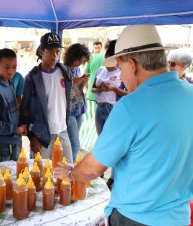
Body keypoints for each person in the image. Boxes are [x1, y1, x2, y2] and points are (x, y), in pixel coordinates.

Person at [54, 25, 193, 226]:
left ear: (133, 64)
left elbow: (93, 168)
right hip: (178, 218)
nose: (120, 77)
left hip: (135, 217)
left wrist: (70, 173)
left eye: (120, 69)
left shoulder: (131, 106)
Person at [20, 32, 73, 162]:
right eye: (50, 51)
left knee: (67, 172)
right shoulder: (32, 78)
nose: (55, 55)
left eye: (57, 51)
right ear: (41, 51)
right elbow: (25, 110)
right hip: (42, 136)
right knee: (41, 176)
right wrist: (32, 137)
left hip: (63, 132)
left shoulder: (65, 72)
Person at [0, 48, 26, 162]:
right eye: (7, 67)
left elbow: (12, 113)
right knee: (0, 178)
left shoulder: (10, 84)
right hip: (0, 146)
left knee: (16, 176)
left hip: (15, 141)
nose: (11, 71)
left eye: (14, 67)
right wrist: (15, 129)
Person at [93, 40, 128, 136]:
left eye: (111, 62)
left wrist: (114, 89)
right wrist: (99, 89)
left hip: (113, 107)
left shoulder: (122, 73)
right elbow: (93, 89)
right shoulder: (100, 70)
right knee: (100, 136)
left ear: (116, 61)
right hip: (99, 107)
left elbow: (131, 93)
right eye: (106, 61)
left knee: (112, 136)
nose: (107, 65)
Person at [63, 43, 90, 162]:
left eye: (82, 61)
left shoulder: (77, 69)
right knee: (75, 144)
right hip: (68, 111)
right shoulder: (62, 69)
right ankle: (70, 169)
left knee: (72, 140)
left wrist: (83, 81)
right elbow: (63, 85)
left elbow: (79, 88)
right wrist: (74, 81)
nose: (80, 63)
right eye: (79, 60)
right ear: (73, 56)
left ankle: (68, 164)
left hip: (79, 107)